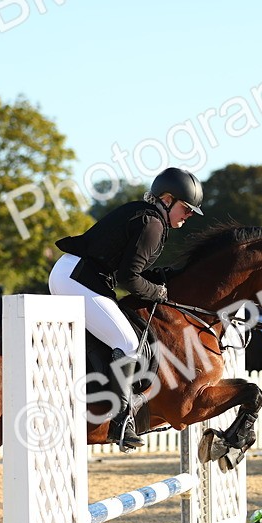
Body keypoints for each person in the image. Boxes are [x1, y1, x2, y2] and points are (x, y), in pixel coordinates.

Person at [49, 167, 203, 451]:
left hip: (79, 274)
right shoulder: (152, 223)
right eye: (186, 208)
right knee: (128, 342)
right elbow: (128, 278)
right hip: (77, 277)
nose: (189, 215)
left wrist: (163, 280)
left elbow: (130, 269)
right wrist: (158, 292)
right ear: (167, 199)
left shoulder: (148, 217)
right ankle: (121, 422)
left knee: (115, 335)